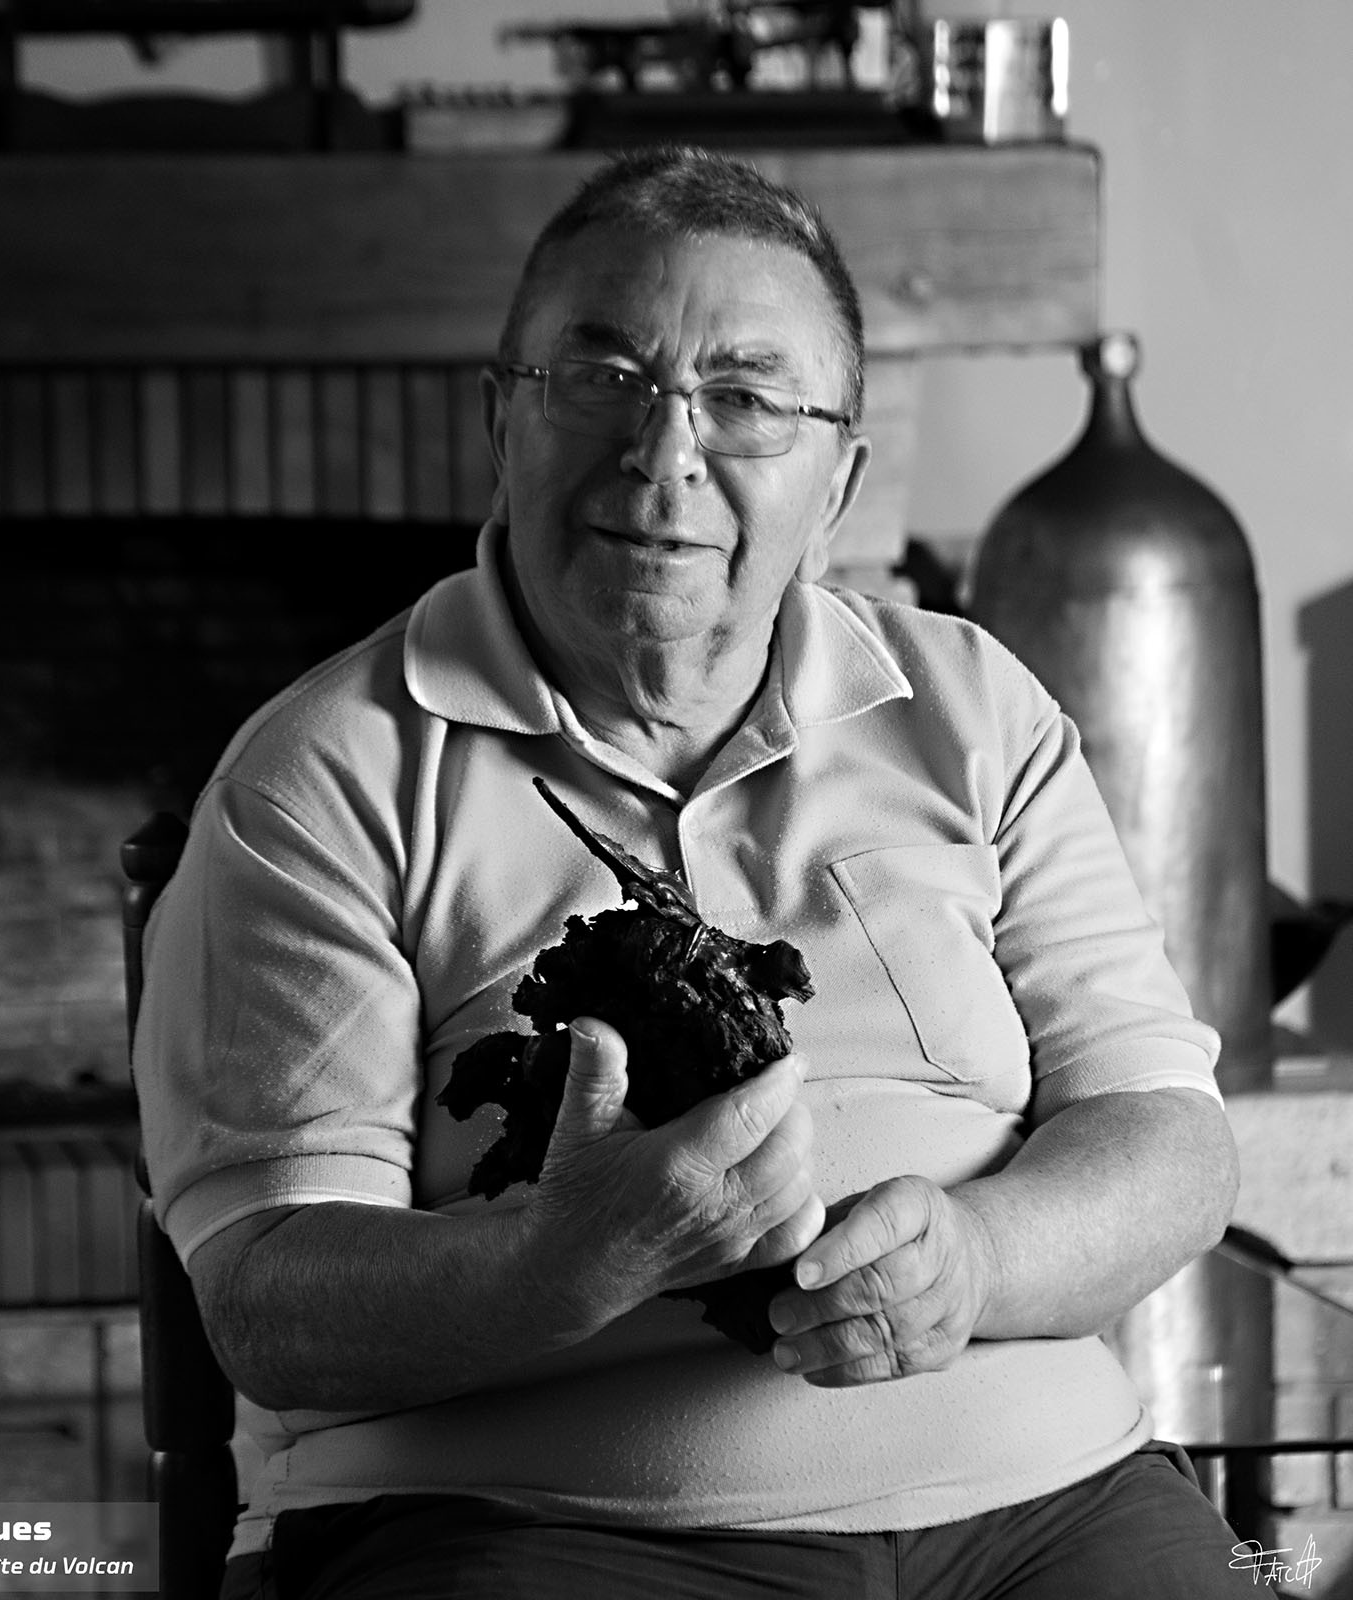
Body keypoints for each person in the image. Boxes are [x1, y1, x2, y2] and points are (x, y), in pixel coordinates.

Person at [135, 145, 1269, 1599]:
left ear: (838, 479)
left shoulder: (976, 706)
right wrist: (562, 1261)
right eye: (602, 378)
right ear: (502, 421)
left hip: (1054, 1515)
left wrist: (976, 1262)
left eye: (744, 399)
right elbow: (266, 1300)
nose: (664, 455)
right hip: (527, 1527)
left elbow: (1166, 1137)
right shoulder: (320, 775)